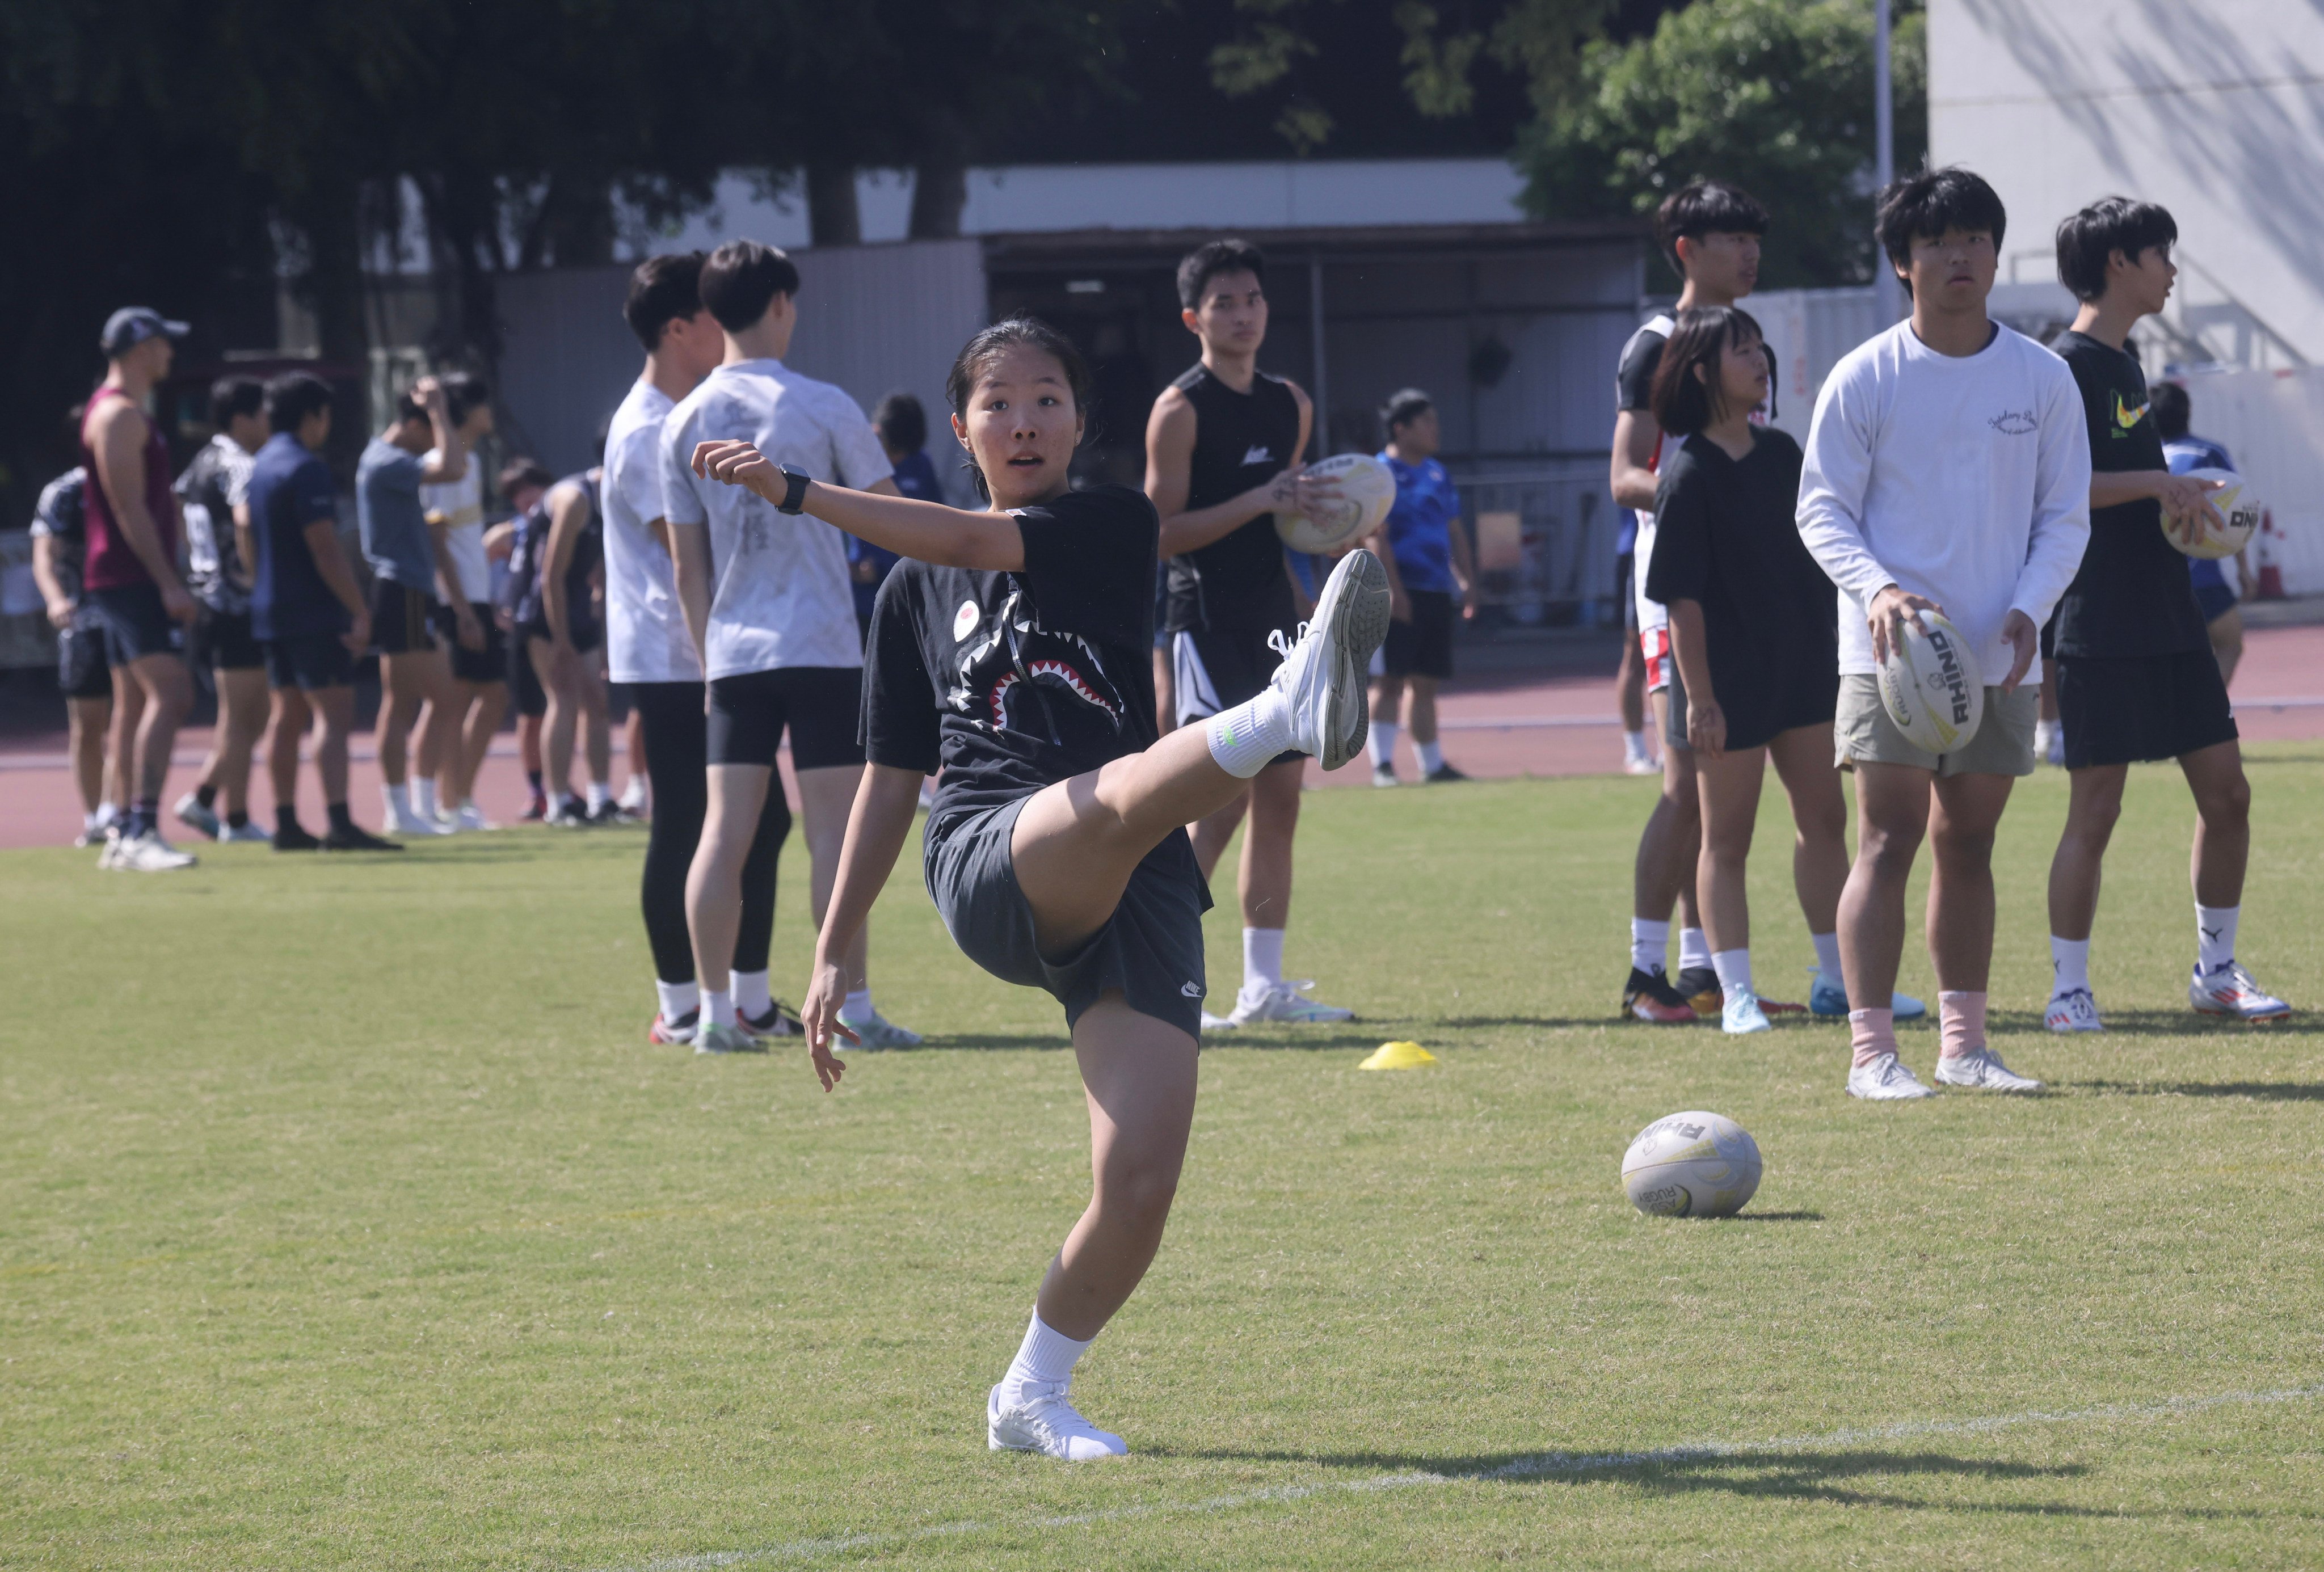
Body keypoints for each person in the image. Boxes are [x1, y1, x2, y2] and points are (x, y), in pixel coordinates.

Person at [689, 317, 1391, 1461]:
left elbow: (979, 542)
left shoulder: (1110, 522)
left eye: (1047, 399)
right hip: (988, 852)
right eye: (998, 402)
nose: (1023, 420)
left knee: (1139, 1182)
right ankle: (1279, 710)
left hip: (1134, 873)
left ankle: (1028, 1391)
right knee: (1110, 798)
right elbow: (888, 775)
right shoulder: (910, 590)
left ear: (1079, 420)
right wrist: (831, 945)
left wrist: (800, 492)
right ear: (961, 427)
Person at [1797, 167, 2091, 1099]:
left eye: (1973, 239)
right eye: (1936, 243)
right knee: (1886, 838)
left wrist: (2026, 612)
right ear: (1901, 263)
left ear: (1996, 256)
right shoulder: (1865, 376)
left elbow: (2066, 519)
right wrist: (1877, 589)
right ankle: (1871, 1056)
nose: (1958, 256)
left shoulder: (2042, 378)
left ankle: (1963, 1048)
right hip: (1889, 658)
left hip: (2000, 652)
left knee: (1969, 843)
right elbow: (1821, 512)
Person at [662, 239, 919, 1052]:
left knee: (723, 832)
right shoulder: (824, 403)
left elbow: (686, 565)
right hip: (820, 642)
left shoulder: (682, 418)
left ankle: (709, 1014)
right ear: (779, 303)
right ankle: (852, 1009)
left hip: (735, 650)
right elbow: (892, 515)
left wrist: (709, 663)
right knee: (834, 834)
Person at [2041, 198, 2287, 1032]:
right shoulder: (2065, 364)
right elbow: (2058, 492)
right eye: (2161, 253)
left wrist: (2187, 515)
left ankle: (2216, 973)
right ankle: (2068, 989)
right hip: (2097, 616)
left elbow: (2134, 495)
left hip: (2169, 612)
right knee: (2096, 807)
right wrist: (2157, 486)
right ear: (2120, 262)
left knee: (2229, 794)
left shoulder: (2128, 360)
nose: (2172, 268)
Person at [1144, 237, 1353, 1029]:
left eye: (1253, 299)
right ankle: (1161, 971)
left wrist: (1327, 528)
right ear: (1194, 316)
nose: (1242, 314)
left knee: (1281, 799)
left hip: (1275, 621)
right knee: (1218, 800)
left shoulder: (1288, 400)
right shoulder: (1180, 408)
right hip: (1204, 621)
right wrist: (1262, 498)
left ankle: (1261, 989)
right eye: (1224, 303)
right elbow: (1160, 530)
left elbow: (1286, 512)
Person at [603, 250, 796, 1043]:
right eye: (716, 313)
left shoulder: (684, 412)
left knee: (754, 821)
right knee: (689, 820)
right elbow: (690, 552)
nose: (734, 325)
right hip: (677, 655)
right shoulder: (648, 427)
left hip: (705, 652)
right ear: (680, 327)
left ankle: (741, 998)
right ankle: (683, 1003)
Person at [1644, 307, 1846, 1035]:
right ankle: (1734, 992)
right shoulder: (1688, 472)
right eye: (1742, 350)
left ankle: (1838, 979)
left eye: (1760, 347)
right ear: (1702, 371)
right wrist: (1699, 699)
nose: (1760, 360)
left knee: (1824, 820)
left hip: (1801, 668)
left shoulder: (1784, 452)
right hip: (1723, 683)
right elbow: (1680, 599)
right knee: (1725, 839)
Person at [1610, 185, 1780, 1019]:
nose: (1750, 253)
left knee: (1721, 793)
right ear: (1686, 247)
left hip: (1749, 598)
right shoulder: (1655, 346)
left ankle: (1703, 968)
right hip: (1675, 592)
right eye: (1732, 237)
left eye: (1755, 238)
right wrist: (1703, 502)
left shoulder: (1748, 344)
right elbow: (1624, 476)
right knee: (1685, 784)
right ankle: (1645, 976)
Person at [246, 373, 401, 853]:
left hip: (271, 606)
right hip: (312, 610)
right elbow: (324, 547)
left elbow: (245, 533)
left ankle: (287, 822)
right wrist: (359, 607)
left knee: (285, 715)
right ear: (314, 415)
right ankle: (338, 821)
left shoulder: (259, 466)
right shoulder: (305, 467)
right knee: (332, 713)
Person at [80, 307, 199, 871]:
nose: (170, 354)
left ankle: (125, 828)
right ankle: (142, 828)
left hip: (122, 575)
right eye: (162, 344)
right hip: (129, 577)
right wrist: (169, 580)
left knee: (130, 706)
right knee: (172, 693)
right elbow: (129, 508)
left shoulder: (126, 413)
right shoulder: (121, 416)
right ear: (140, 348)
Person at [356, 376, 474, 838]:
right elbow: (453, 467)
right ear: (411, 423)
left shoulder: (389, 460)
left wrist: (439, 412)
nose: (433, 440)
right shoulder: (387, 461)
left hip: (407, 588)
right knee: (421, 701)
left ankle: (412, 806)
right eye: (428, 429)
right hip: (400, 586)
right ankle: (402, 807)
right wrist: (440, 409)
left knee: (418, 700)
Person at [172, 376, 273, 843]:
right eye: (263, 412)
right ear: (243, 417)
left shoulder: (199, 462)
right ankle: (235, 818)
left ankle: (208, 799)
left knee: (251, 714)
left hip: (211, 597)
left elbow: (176, 510)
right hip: (235, 603)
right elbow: (245, 520)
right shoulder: (238, 464)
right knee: (240, 714)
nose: (270, 422)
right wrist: (258, 579)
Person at [1363, 389, 1476, 786]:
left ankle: (1432, 765)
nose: (1435, 429)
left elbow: (1454, 529)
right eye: (1426, 422)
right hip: (1395, 590)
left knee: (1426, 680)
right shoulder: (1378, 473)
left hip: (1434, 589)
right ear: (1401, 428)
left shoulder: (1437, 473)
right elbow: (1377, 537)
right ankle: (1382, 766)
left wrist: (1465, 580)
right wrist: (1393, 591)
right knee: (1390, 679)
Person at [418, 374, 507, 831]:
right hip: (457, 601)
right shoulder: (442, 464)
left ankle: (459, 797)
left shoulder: (467, 462)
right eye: (482, 404)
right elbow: (437, 538)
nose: (490, 413)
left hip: (475, 596)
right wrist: (463, 608)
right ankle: (447, 802)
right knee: (453, 701)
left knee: (489, 694)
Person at [515, 460, 621, 825]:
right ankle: (558, 803)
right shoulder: (574, 498)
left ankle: (601, 800)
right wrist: (561, 640)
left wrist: (602, 632)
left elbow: (605, 567)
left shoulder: (618, 497)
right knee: (562, 699)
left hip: (576, 607)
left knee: (598, 702)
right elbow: (550, 575)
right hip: (545, 609)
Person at [30, 463, 124, 845]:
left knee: (130, 722)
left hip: (132, 618)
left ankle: (119, 812)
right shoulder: (65, 492)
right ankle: (93, 819)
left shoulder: (140, 478)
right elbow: (44, 555)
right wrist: (55, 600)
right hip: (83, 622)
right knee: (88, 724)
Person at [2152, 381, 2249, 686]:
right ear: (2188, 411)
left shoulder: (2145, 461)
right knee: (2230, 645)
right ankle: (2210, 715)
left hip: (2156, 581)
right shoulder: (2208, 453)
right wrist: (2245, 570)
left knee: (2168, 661)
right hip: (2202, 579)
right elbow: (2236, 512)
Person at [847, 391, 938, 640]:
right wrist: (849, 567)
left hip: (909, 593)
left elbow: (937, 524)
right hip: (861, 600)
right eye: (894, 452)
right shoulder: (849, 459)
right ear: (877, 432)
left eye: (904, 456)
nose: (897, 461)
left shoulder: (920, 463)